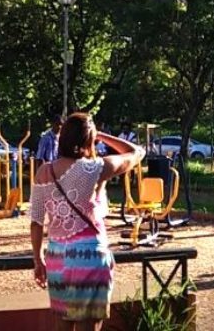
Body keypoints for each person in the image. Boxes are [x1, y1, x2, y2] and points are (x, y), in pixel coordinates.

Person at [29, 113, 145, 331]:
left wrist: (38, 260)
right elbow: (137, 152)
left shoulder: (43, 172)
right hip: (91, 256)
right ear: (88, 140)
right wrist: (101, 135)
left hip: (57, 257)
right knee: (89, 325)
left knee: (62, 324)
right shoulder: (95, 169)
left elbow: (36, 221)